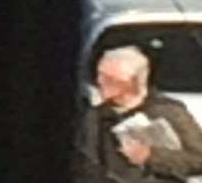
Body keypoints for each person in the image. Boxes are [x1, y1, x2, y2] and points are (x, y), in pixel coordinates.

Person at [79, 46, 202, 182]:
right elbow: (83, 165)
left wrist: (151, 156)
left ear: (133, 82)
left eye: (110, 79)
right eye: (99, 75)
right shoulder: (94, 117)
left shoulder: (168, 111)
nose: (100, 82)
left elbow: (199, 160)